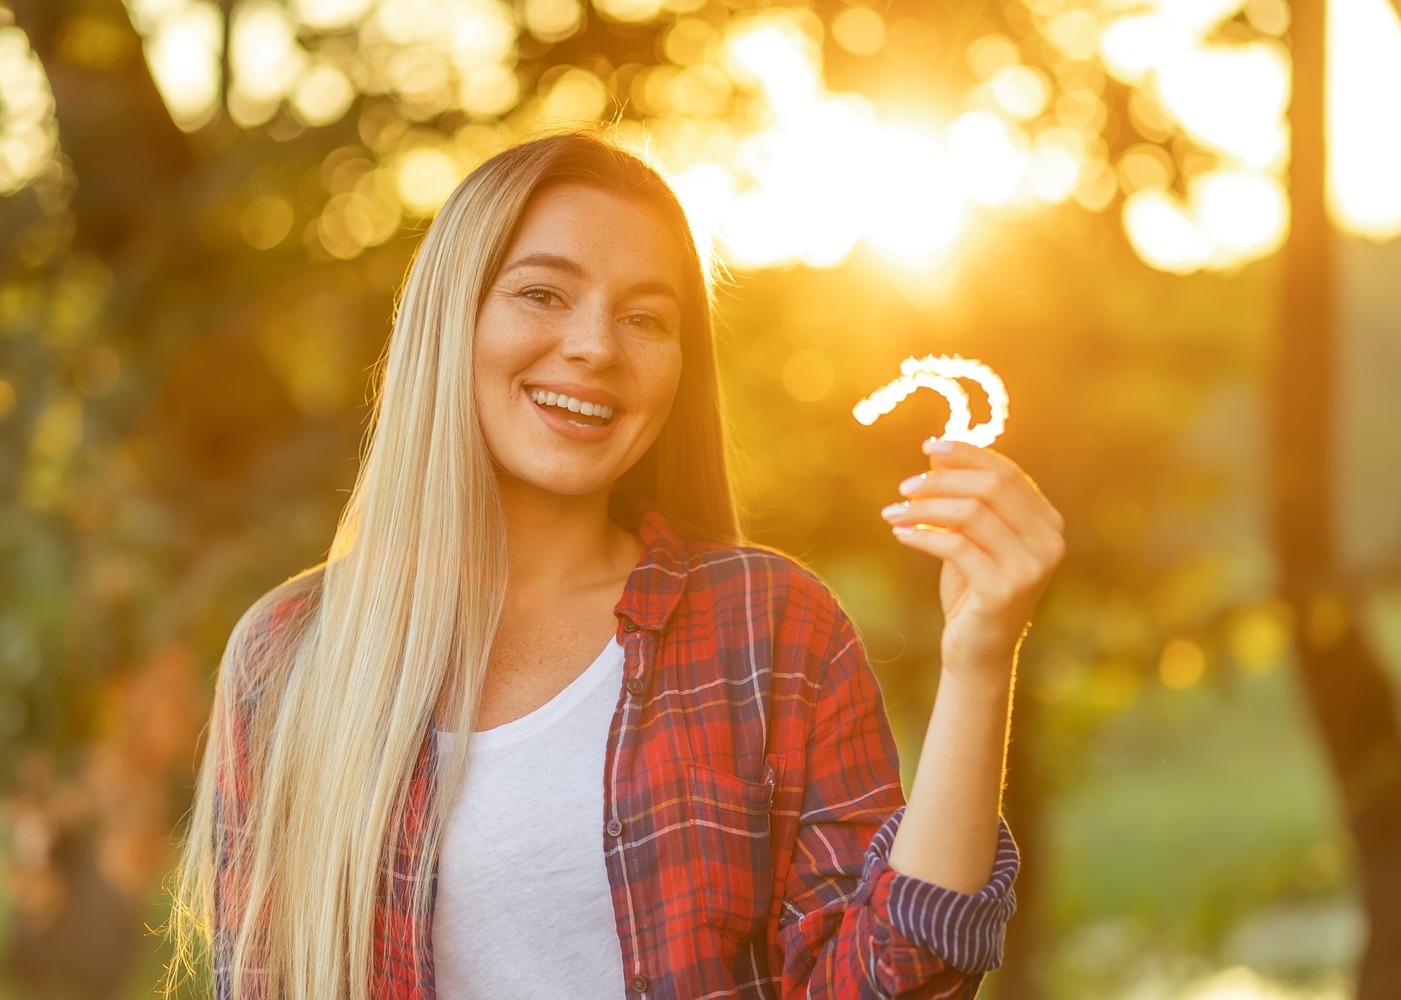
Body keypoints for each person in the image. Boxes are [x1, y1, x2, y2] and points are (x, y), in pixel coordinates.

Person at [166, 129, 1066, 1000]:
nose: (597, 346)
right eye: (543, 295)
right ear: (453, 317)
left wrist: (980, 658)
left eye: (644, 317)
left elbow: (892, 985)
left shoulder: (772, 629)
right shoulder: (289, 658)